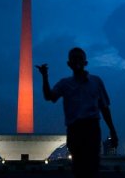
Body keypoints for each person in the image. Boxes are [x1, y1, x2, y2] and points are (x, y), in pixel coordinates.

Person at [36, 47, 118, 178]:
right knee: (78, 167)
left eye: (80, 57)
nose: (77, 60)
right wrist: (45, 77)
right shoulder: (64, 84)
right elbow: (49, 97)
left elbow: (104, 108)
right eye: (74, 58)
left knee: (92, 166)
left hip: (92, 128)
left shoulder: (96, 81)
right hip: (75, 130)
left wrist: (112, 131)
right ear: (69, 64)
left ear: (85, 62)